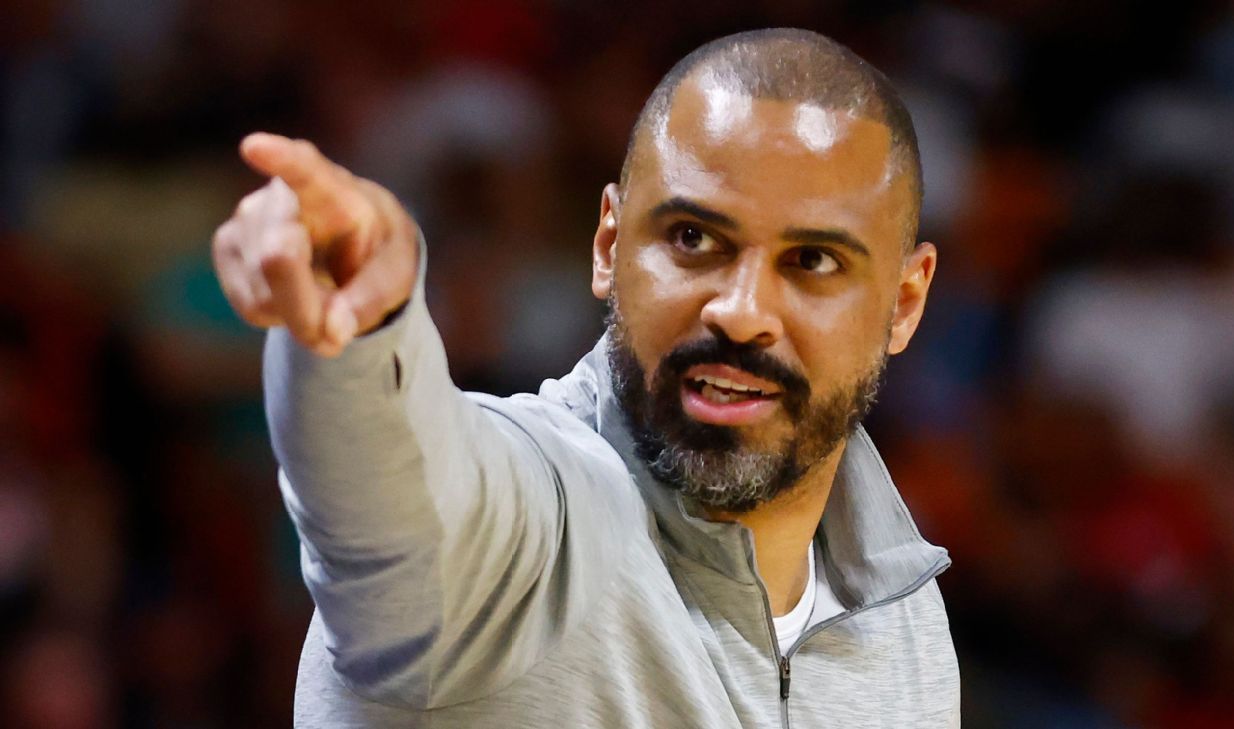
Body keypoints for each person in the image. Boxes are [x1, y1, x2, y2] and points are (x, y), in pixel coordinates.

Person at [213, 28, 957, 728]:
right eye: (692, 238)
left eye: (813, 261)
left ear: (904, 301)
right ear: (609, 244)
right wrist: (366, 332)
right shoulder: (526, 530)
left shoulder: (906, 617)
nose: (740, 312)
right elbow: (399, 501)